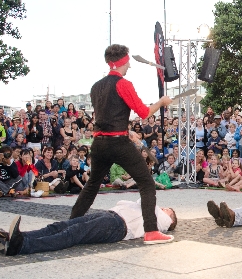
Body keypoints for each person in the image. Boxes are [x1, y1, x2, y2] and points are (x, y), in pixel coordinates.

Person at [69, 44, 173, 245]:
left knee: (91, 186)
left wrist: (127, 129)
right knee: (146, 183)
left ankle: (72, 223)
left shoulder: (95, 87)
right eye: (129, 62)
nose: (130, 66)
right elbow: (144, 113)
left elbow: (109, 113)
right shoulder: (124, 84)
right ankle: (151, 231)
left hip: (99, 143)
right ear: (123, 61)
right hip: (118, 143)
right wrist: (161, 102)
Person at [0, 199, 177, 256]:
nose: (166, 208)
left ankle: (21, 246)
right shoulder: (153, 210)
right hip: (110, 215)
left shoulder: (163, 222)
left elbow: (147, 205)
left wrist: (163, 210)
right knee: (60, 225)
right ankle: (9, 237)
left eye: (170, 210)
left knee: (73, 233)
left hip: (118, 226)